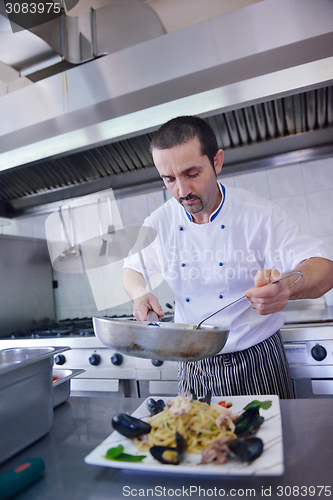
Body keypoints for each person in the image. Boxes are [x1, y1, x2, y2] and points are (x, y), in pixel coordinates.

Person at [122, 115, 333, 399]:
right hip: (194, 364)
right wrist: (139, 294)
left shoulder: (257, 214)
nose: (182, 192)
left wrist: (288, 287)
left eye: (192, 174)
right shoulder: (159, 222)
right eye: (169, 179)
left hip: (257, 362)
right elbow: (132, 269)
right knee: (194, 442)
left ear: (216, 162)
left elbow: (324, 268)